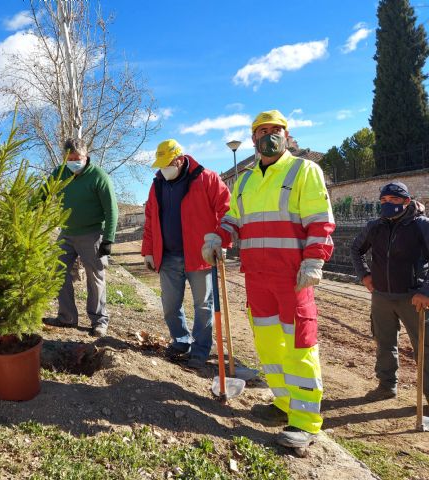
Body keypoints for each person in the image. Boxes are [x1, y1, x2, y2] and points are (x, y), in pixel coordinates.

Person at [203, 110, 335, 450]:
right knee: (268, 346)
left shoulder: (303, 170)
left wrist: (313, 261)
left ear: (287, 135)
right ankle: (282, 403)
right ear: (253, 139)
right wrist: (219, 238)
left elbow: (321, 221)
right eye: (262, 131)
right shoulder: (245, 180)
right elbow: (234, 219)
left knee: (298, 346)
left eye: (275, 130)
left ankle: (305, 422)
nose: (268, 136)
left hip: (293, 278)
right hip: (257, 278)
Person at [141, 139, 231, 369]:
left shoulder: (207, 178)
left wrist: (221, 239)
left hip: (201, 256)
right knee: (170, 304)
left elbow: (226, 209)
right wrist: (148, 251)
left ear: (180, 160)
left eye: (167, 163)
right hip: (168, 256)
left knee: (203, 306)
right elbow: (150, 220)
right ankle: (181, 340)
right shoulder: (157, 185)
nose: (163, 168)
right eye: (160, 164)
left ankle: (200, 351)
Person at [350, 181, 429, 406]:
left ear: (406, 201)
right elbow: (356, 249)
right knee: (384, 343)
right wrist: (364, 275)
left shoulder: (421, 225)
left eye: (393, 200)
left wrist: (426, 291)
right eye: (383, 200)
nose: (388, 204)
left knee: (425, 348)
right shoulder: (375, 226)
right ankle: (386, 386)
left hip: (414, 298)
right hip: (382, 296)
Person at [45, 138, 118, 337]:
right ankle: (67, 317)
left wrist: (108, 239)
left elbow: (112, 210)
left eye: (78, 158)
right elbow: (43, 194)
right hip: (67, 233)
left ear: (86, 156)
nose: (74, 162)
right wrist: (25, 210)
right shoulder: (59, 173)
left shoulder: (98, 176)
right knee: (58, 272)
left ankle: (99, 321)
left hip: (92, 234)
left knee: (95, 277)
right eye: (70, 158)